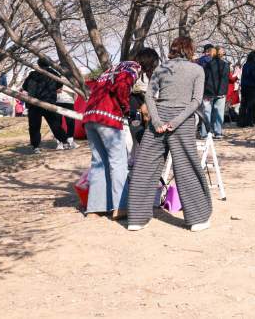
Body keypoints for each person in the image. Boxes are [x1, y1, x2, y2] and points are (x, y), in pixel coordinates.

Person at [126, 36, 213, 232]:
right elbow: (196, 101)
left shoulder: (161, 68)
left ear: (172, 49)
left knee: (144, 167)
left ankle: (136, 219)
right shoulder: (197, 69)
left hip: (159, 117)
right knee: (186, 167)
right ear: (190, 50)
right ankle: (197, 219)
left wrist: (156, 121)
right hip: (182, 120)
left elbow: (149, 95)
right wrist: (175, 122)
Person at [83, 48, 158, 219]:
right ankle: (120, 206)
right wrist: (126, 108)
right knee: (118, 162)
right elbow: (122, 86)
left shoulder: (115, 67)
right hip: (108, 117)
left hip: (90, 116)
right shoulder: (132, 68)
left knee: (99, 162)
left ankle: (96, 207)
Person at [22, 59, 75, 152]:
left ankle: (35, 147)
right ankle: (65, 142)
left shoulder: (32, 74)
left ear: (38, 64)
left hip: (33, 103)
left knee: (34, 126)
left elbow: (24, 86)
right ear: (49, 64)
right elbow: (59, 84)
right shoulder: (53, 73)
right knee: (55, 124)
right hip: (48, 102)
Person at [198, 45, 230, 139]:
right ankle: (218, 132)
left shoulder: (208, 65)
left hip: (208, 91)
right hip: (221, 92)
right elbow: (226, 79)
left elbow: (204, 78)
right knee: (219, 113)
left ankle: (205, 133)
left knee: (206, 113)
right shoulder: (225, 65)